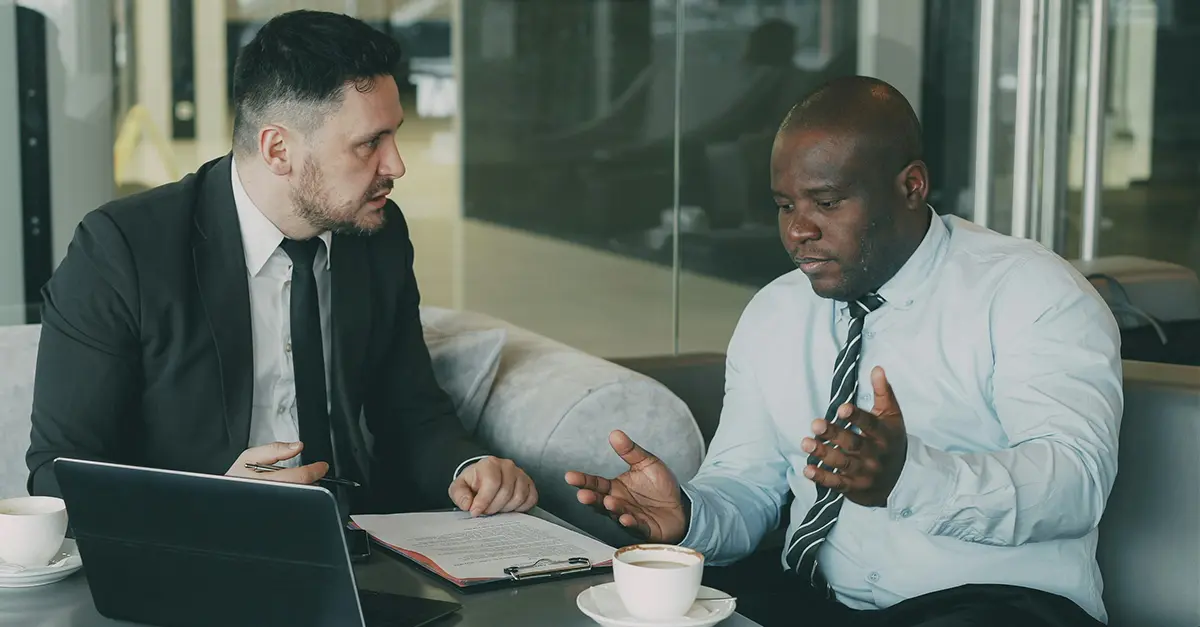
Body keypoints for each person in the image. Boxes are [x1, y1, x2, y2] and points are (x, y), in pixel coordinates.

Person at [566, 76, 1121, 627]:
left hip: (995, 606)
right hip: (814, 601)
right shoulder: (775, 312)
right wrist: (688, 517)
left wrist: (910, 477)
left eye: (826, 202)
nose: (799, 231)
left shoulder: (1030, 292)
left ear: (912, 186)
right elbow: (745, 490)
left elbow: (1076, 484)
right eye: (785, 205)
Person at [26, 9, 537, 519]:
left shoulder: (375, 235)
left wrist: (467, 468)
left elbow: (409, 407)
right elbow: (57, 471)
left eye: (394, 134)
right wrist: (209, 499)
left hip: (364, 539)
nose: (397, 165)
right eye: (369, 143)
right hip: (197, 551)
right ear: (277, 149)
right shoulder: (122, 249)